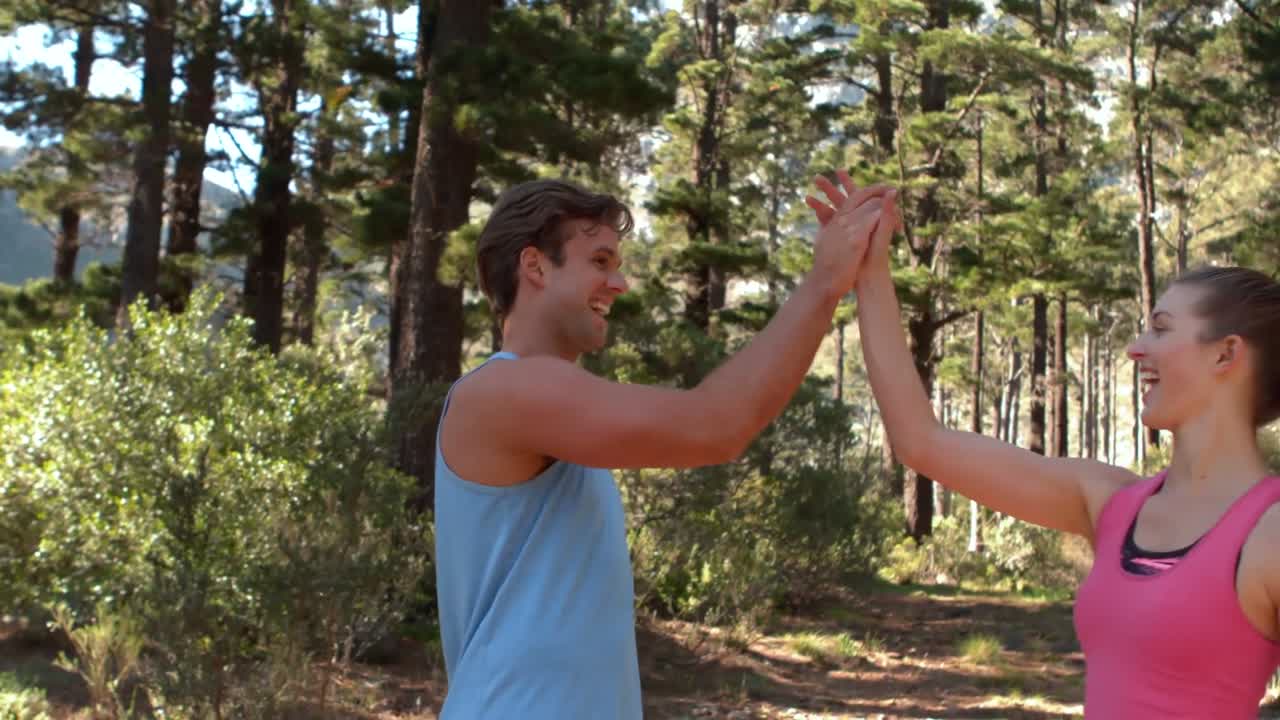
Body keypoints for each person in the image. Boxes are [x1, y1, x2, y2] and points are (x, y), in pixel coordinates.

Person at [807, 179, 1280, 718]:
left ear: (1226, 355)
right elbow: (921, 442)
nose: (1134, 348)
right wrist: (871, 270)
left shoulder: (1270, 531)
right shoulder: (1112, 504)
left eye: (1161, 329)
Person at [433, 174, 893, 718]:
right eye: (600, 261)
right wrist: (824, 281)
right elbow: (717, 425)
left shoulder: (538, 400)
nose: (620, 282)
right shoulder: (506, 390)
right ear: (534, 266)